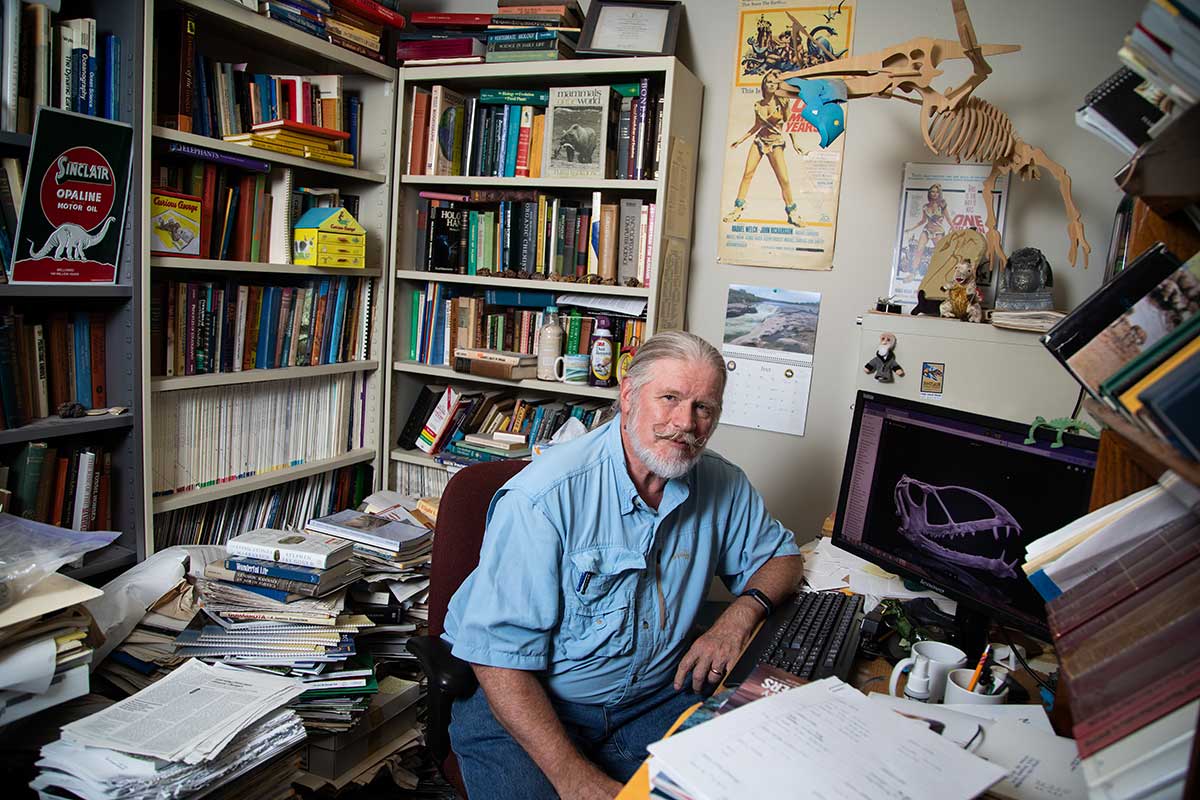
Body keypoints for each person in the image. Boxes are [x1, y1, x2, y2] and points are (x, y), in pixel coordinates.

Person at [442, 330, 804, 800]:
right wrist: (573, 777)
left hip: (654, 696)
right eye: (669, 398)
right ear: (629, 395)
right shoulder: (545, 498)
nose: (686, 423)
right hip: (529, 704)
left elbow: (783, 557)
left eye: (704, 408)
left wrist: (738, 616)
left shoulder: (721, 483)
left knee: (755, 774)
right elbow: (498, 660)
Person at [722, 72, 805, 227]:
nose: (771, 85)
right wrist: (740, 140)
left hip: (775, 143)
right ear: (764, 85)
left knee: (784, 179)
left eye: (774, 82)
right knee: (747, 174)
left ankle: (792, 213)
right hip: (759, 141)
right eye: (768, 82)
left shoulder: (784, 102)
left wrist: (795, 144)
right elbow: (757, 126)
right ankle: (737, 208)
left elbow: (789, 124)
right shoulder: (758, 105)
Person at [904, 183, 949, 273]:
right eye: (932, 191)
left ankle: (942, 272)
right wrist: (911, 229)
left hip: (938, 232)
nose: (934, 194)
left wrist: (955, 228)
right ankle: (913, 272)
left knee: (940, 252)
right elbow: (923, 220)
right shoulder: (925, 206)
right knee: (919, 250)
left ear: (939, 194)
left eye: (937, 192)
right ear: (929, 193)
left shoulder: (942, 206)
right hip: (927, 230)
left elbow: (948, 219)